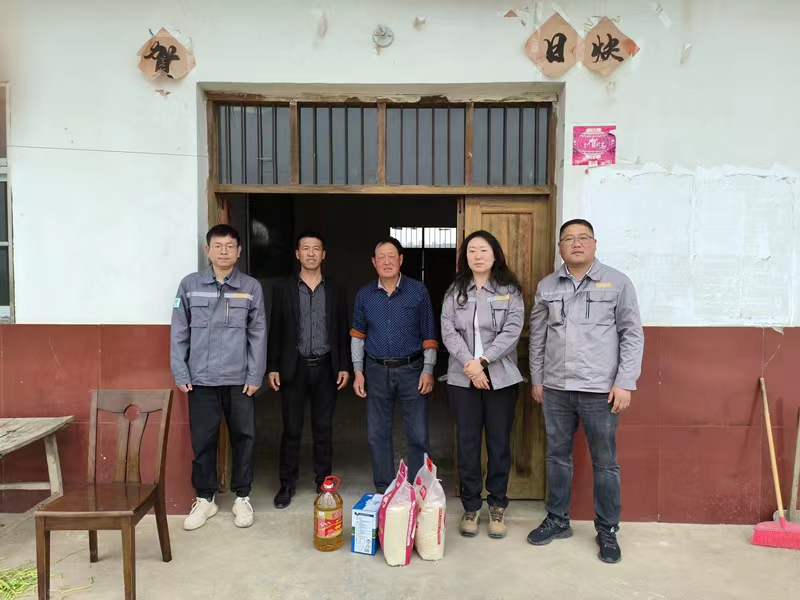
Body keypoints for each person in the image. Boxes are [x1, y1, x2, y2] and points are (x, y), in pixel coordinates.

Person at [527, 219, 644, 564]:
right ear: (560, 248)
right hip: (556, 388)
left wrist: (625, 381)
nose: (576, 244)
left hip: (600, 390)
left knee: (604, 462)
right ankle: (557, 519)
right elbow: (538, 336)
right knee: (556, 457)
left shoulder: (618, 282)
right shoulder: (547, 286)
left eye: (583, 238)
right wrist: (537, 379)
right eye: (568, 239)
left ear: (594, 244)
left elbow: (632, 333)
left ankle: (607, 528)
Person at [170, 224, 267, 531]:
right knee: (203, 440)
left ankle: (242, 496)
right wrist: (180, 371)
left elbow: (258, 333)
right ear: (207, 250)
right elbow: (179, 331)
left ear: (239, 251)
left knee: (244, 438)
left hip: (239, 379)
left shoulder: (250, 287)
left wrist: (256, 374)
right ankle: (205, 498)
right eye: (218, 246)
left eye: (230, 246)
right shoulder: (189, 285)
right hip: (200, 378)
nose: (224, 251)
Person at [441, 231, 524, 540]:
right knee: (467, 444)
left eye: (483, 250)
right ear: (465, 257)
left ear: (495, 254)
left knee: (499, 444)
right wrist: (471, 364)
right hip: (462, 377)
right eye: (472, 250)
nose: (477, 256)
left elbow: (512, 331)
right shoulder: (455, 290)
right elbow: (448, 331)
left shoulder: (509, 291)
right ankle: (471, 507)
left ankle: (497, 506)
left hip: (500, 378)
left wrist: (484, 361)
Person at [267, 232, 351, 509]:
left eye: (316, 249)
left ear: (324, 254)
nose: (311, 253)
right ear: (297, 254)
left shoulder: (335, 288)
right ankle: (287, 484)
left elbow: (342, 328)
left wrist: (344, 365)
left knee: (323, 428)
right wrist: (273, 366)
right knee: (291, 428)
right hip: (294, 367)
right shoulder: (283, 288)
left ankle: (323, 481)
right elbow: (276, 328)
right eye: (306, 248)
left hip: (326, 367)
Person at [351, 237, 438, 492]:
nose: (387, 261)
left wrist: (428, 370)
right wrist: (358, 371)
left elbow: (429, 334)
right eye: (381, 257)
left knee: (418, 434)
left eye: (392, 256)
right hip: (376, 370)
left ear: (401, 260)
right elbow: (357, 336)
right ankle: (384, 490)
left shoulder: (418, 291)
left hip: (412, 370)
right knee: (377, 434)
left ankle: (418, 489)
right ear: (373, 262)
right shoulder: (365, 294)